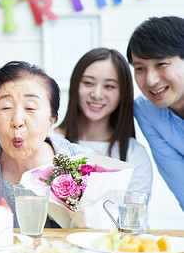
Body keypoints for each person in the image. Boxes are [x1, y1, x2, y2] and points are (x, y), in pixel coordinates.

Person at [0, 61, 93, 228]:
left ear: (51, 122)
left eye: (30, 107)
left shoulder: (85, 166)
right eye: (6, 107)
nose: (17, 121)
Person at [55, 48, 153, 197]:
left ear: (123, 93)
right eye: (88, 83)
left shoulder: (134, 154)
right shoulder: (51, 142)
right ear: (75, 85)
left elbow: (135, 217)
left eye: (109, 86)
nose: (97, 94)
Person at [126, 16, 184, 211]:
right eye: (140, 68)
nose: (150, 80)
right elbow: (180, 184)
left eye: (161, 64)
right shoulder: (147, 111)